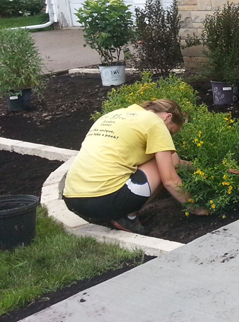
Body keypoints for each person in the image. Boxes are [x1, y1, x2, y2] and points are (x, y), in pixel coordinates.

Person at [64, 99, 207, 234]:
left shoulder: (113, 115)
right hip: (105, 202)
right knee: (163, 166)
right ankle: (128, 218)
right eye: (170, 132)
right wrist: (195, 208)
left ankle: (120, 212)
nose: (168, 137)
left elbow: (176, 161)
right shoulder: (155, 123)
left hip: (73, 199)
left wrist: (201, 168)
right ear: (167, 117)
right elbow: (169, 179)